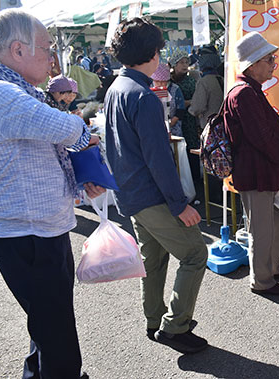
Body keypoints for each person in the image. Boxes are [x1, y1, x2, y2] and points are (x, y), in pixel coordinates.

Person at [0, 9, 104, 378]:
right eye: (46, 47)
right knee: (57, 332)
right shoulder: (3, 93)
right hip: (28, 233)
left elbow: (39, 148)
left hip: (33, 228)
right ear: (17, 50)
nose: (53, 56)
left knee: (44, 323)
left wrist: (79, 176)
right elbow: (68, 128)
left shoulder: (18, 90)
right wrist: (83, 133)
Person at [105, 17, 209, 354]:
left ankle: (155, 320)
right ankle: (174, 327)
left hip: (130, 194)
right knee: (195, 254)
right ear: (153, 53)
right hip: (153, 195)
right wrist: (180, 204)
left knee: (153, 260)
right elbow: (159, 158)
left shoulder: (115, 89)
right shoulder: (144, 96)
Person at [224, 32, 279, 295]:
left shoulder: (250, 90)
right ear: (252, 64)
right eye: (269, 59)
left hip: (263, 170)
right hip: (255, 172)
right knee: (261, 229)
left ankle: (273, 268)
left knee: (276, 220)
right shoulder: (243, 93)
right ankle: (262, 280)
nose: (272, 64)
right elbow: (263, 137)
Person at [169, 49, 200, 177]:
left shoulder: (191, 81)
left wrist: (184, 103)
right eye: (181, 62)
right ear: (174, 65)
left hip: (189, 119)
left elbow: (198, 99)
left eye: (186, 62)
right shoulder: (168, 81)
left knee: (190, 148)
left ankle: (195, 180)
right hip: (173, 123)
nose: (185, 65)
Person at [188, 44, 223, 129]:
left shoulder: (204, 82)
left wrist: (189, 109)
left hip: (210, 127)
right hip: (224, 124)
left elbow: (197, 107)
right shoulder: (223, 79)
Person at [151, 62, 186, 137]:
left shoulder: (175, 89)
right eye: (157, 81)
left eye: (163, 82)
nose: (160, 84)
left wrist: (171, 122)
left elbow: (181, 109)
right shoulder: (149, 89)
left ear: (167, 80)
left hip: (174, 128)